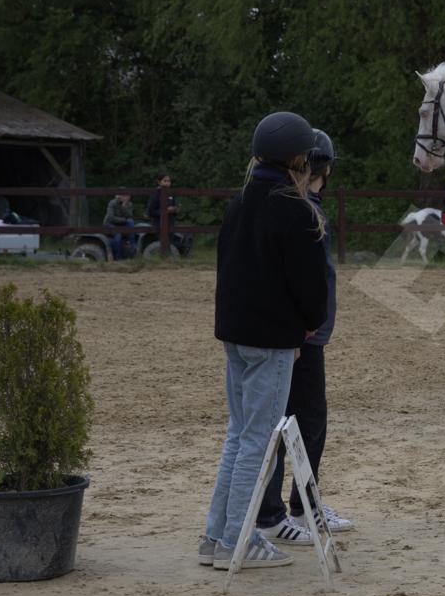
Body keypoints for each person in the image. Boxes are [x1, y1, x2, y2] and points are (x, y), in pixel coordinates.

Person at [198, 111, 330, 571]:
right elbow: (312, 288)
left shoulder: (238, 203)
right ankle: (239, 539)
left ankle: (216, 535)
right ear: (299, 159)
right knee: (258, 442)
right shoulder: (297, 210)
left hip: (235, 334)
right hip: (272, 341)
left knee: (238, 436)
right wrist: (307, 325)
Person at [254, 128, 352, 546]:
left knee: (298, 422)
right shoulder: (306, 212)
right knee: (304, 423)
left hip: (305, 335)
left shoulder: (299, 206)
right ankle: (281, 512)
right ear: (325, 169)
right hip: (302, 338)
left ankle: (300, 504)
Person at [146, 172, 190, 256]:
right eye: (165, 181)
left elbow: (173, 206)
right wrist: (165, 211)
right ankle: (166, 258)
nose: (167, 183)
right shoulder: (155, 194)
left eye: (169, 181)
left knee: (186, 234)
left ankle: (184, 255)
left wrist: (176, 209)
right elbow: (151, 212)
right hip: (159, 223)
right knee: (166, 243)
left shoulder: (170, 193)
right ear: (159, 182)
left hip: (171, 222)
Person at [103, 191, 138, 260]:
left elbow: (130, 216)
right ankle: (118, 256)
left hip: (121, 223)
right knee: (118, 234)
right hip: (110, 224)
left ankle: (132, 245)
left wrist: (124, 207)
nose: (127, 198)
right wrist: (124, 220)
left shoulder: (129, 204)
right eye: (124, 196)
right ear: (119, 196)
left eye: (128, 196)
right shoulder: (112, 203)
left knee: (130, 221)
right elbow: (111, 218)